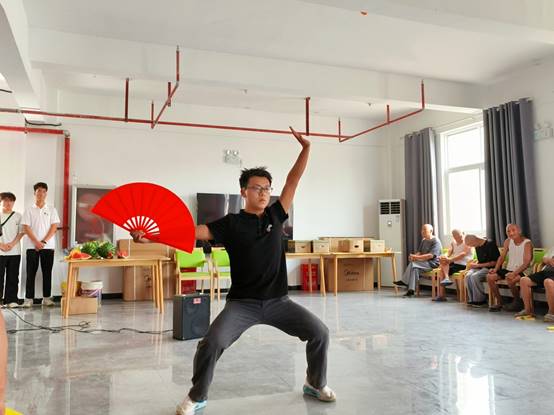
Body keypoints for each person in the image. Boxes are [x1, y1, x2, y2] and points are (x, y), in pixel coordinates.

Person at [133, 127, 335, 415]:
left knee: (320, 333)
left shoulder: (276, 215)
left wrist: (306, 148)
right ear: (244, 192)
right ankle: (197, 396)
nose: (263, 193)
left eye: (267, 188)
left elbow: (293, 180)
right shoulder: (230, 224)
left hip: (279, 302)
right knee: (211, 343)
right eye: (257, 188)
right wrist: (152, 236)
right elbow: (191, 232)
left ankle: (315, 383)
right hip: (243, 304)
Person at [21, 182, 60, 307]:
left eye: (43, 191)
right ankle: (28, 299)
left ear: (46, 193)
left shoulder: (52, 209)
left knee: (47, 273)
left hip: (48, 246)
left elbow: (54, 227)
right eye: (38, 191)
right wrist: (36, 242)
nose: (41, 193)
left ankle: (47, 298)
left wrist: (43, 242)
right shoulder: (29, 210)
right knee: (30, 273)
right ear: (35, 193)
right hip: (31, 246)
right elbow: (26, 227)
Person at [487, 224, 532, 312]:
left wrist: (514, 273)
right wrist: (495, 269)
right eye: (508, 231)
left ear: (519, 231)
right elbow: (502, 257)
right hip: (509, 269)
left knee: (510, 278)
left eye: (513, 230)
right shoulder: (507, 241)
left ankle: (517, 302)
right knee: (490, 277)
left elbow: (526, 263)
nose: (511, 233)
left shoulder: (527, 243)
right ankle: (500, 302)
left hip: (524, 270)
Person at [394, 224, 442, 297]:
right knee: (414, 268)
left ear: (431, 231)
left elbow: (430, 256)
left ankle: (404, 281)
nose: (422, 231)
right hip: (424, 263)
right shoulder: (424, 240)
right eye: (422, 229)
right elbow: (419, 252)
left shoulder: (436, 241)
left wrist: (415, 257)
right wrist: (414, 257)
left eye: (424, 230)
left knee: (413, 264)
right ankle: (411, 291)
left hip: (433, 264)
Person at [434, 229, 473, 301]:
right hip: (455, 264)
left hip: (464, 265)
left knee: (443, 267)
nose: (459, 238)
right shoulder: (453, 243)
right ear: (454, 237)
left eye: (460, 236)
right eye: (456, 237)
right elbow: (449, 252)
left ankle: (443, 289)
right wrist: (444, 256)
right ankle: (442, 295)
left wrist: (450, 260)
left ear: (463, 234)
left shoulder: (467, 242)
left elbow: (463, 254)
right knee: (441, 269)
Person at [516, 247, 554, 321]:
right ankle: (528, 310)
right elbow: (544, 259)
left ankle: (552, 313)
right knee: (524, 280)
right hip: (545, 272)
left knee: (548, 282)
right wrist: (549, 260)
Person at [0, 193, 24, 308]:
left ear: (14, 202)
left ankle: (11, 300)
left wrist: (12, 244)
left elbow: (21, 232)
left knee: (13, 276)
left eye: (10, 200)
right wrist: (1, 245)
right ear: (1, 202)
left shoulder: (18, 216)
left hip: (15, 251)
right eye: (5, 200)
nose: (8, 203)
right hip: (0, 251)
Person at [463, 234, 500, 307]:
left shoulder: (490, 244)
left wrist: (477, 265)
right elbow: (481, 260)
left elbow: (495, 262)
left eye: (471, 244)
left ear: (475, 240)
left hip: (491, 268)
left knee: (475, 276)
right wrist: (474, 264)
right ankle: (472, 299)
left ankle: (481, 301)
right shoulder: (477, 246)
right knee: (467, 275)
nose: (472, 246)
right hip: (481, 267)